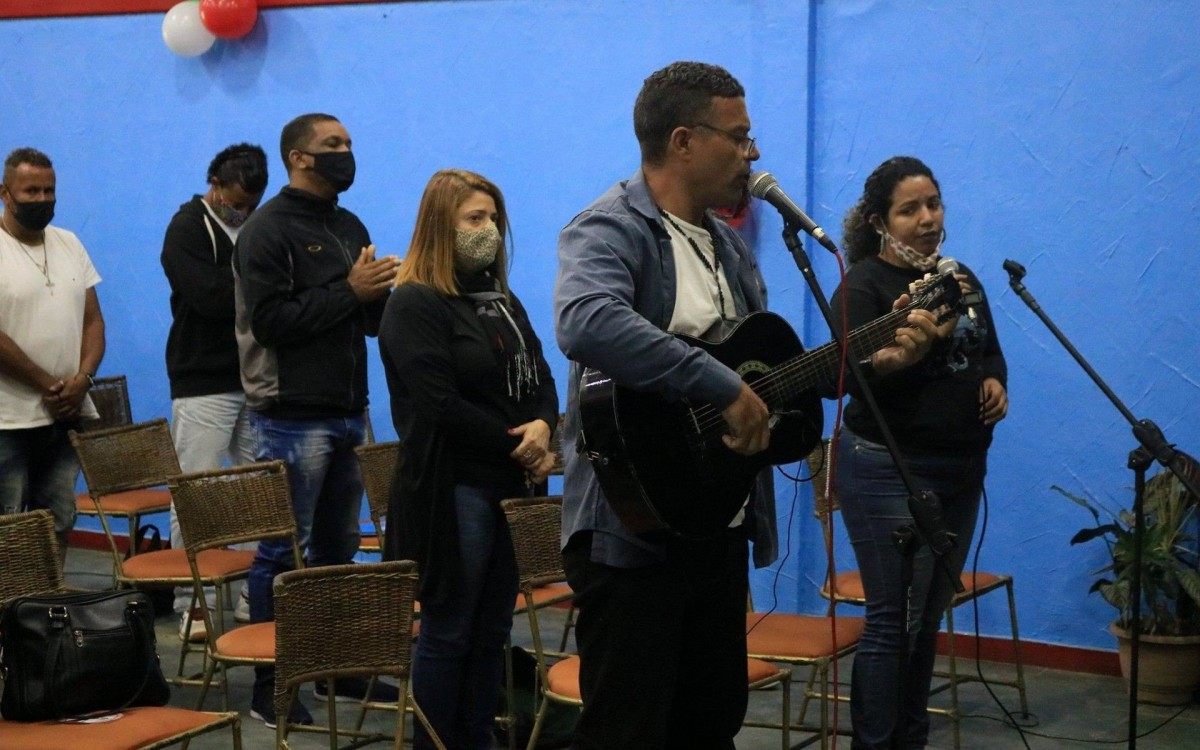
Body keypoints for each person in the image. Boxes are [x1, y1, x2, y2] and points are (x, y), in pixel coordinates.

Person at [829, 155, 1009, 749]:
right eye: (911, 209)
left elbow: (989, 351)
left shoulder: (961, 278)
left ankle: (910, 739)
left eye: (934, 204)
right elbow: (854, 376)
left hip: (960, 468)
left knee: (925, 619)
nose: (928, 218)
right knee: (892, 619)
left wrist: (994, 381)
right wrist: (902, 357)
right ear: (881, 221)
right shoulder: (864, 285)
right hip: (886, 467)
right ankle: (874, 744)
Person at [380, 168, 559, 749]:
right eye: (474, 219)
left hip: (511, 484)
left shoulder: (500, 300)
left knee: (492, 631)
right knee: (449, 630)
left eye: (494, 219)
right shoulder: (414, 302)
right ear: (441, 226)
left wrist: (544, 426)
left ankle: (478, 738)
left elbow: (542, 376)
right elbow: (436, 404)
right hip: (451, 487)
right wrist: (522, 445)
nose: (489, 231)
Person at [233, 113, 399, 726]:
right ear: (299, 157)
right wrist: (352, 293)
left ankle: (335, 668)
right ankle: (271, 686)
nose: (347, 154)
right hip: (290, 416)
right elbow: (272, 323)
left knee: (337, 548)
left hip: (348, 410)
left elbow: (360, 320)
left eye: (350, 144)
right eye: (334, 146)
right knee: (284, 553)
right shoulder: (265, 231)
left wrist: (386, 294)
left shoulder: (347, 224)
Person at [161, 143, 268, 641]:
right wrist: (266, 292)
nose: (242, 210)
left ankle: (252, 593)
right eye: (237, 199)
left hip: (254, 377)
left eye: (253, 202)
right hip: (202, 378)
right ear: (215, 184)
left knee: (260, 493)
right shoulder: (186, 227)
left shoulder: (257, 226)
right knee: (196, 493)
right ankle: (193, 602)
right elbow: (205, 298)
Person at [0, 147, 105, 564]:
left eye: (50, 190)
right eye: (31, 191)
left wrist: (82, 381)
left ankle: (48, 616)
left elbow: (92, 321)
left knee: (58, 520)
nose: (43, 199)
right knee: (10, 528)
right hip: (7, 420)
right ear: (5, 193)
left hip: (63, 415)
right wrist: (49, 384)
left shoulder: (69, 243)